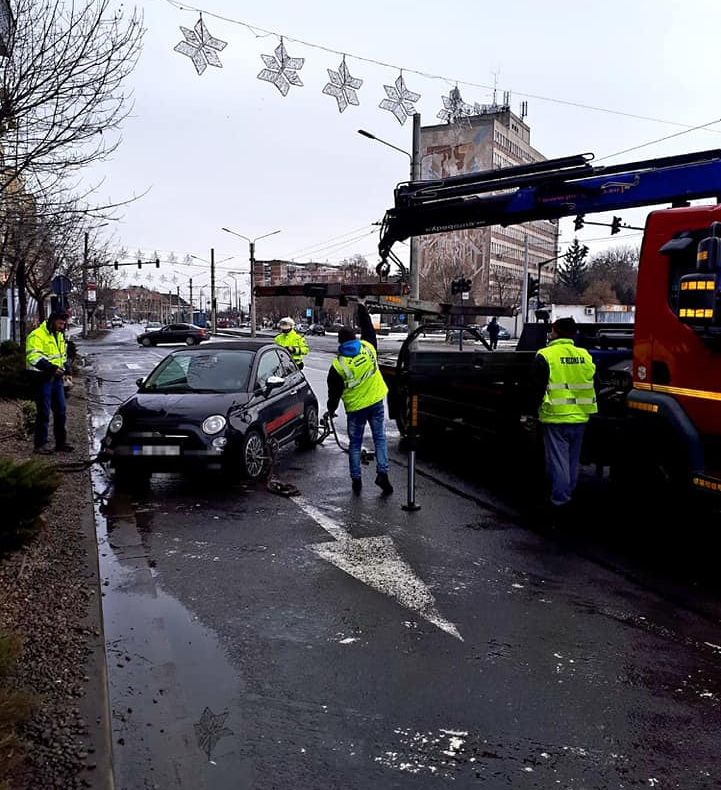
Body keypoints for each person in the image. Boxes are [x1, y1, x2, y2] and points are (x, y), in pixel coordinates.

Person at [530, 317, 597, 524]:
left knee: (558, 463)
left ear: (555, 331)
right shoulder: (584, 355)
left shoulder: (545, 355)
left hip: (556, 415)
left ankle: (560, 502)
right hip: (580, 416)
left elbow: (537, 387)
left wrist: (533, 411)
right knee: (571, 461)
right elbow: (595, 381)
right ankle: (568, 494)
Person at [326, 301, 393, 496]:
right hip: (376, 402)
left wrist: (331, 410)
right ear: (355, 338)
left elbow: (334, 393)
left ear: (340, 343)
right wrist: (362, 308)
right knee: (380, 439)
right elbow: (368, 328)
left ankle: (356, 480)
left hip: (356, 409)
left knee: (355, 444)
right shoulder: (368, 347)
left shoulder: (338, 365)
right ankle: (383, 474)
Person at [25, 310, 74, 454]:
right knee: (44, 412)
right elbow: (33, 357)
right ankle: (40, 444)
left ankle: (60, 443)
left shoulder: (58, 335)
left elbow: (61, 355)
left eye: (64, 324)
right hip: (42, 379)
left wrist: (67, 368)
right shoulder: (36, 335)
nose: (62, 326)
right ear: (52, 321)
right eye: (60, 323)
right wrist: (51, 368)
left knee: (61, 411)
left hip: (56, 379)